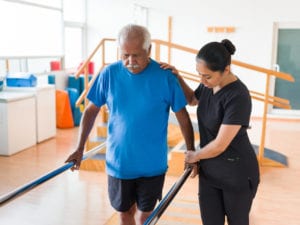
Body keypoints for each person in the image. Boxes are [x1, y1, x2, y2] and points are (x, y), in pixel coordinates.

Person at [65, 24, 195, 225]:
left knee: (146, 216)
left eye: (137, 55)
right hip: (120, 164)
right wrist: (80, 147)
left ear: (149, 50)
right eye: (125, 55)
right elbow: (91, 111)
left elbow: (183, 117)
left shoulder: (165, 76)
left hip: (152, 165)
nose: (131, 61)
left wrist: (191, 151)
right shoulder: (108, 73)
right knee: (124, 213)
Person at [160, 39, 260, 225]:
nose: (202, 81)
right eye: (199, 75)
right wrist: (177, 76)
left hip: (236, 173)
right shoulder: (209, 85)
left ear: (226, 70)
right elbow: (191, 99)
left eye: (207, 76)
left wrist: (194, 155)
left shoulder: (238, 96)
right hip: (210, 172)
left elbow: (221, 144)